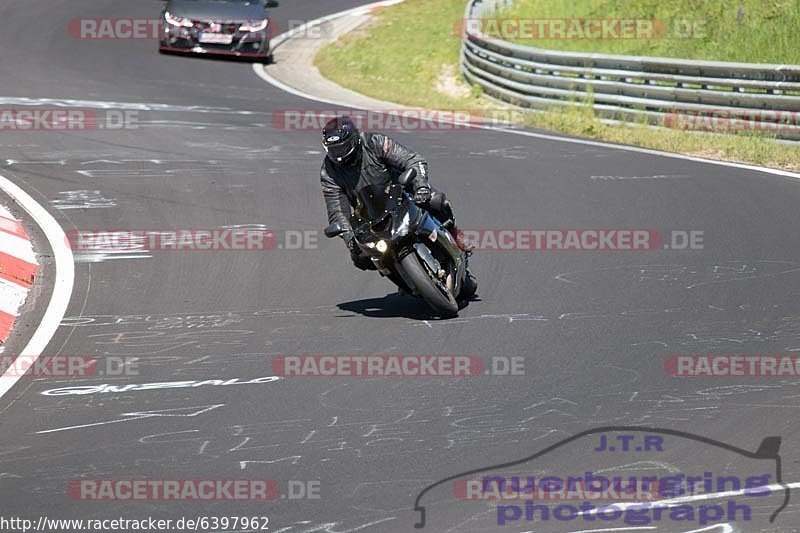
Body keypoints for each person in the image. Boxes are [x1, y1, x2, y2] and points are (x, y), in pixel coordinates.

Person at [319, 115, 466, 271]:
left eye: (342, 147)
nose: (339, 154)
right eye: (333, 150)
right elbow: (337, 212)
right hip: (371, 214)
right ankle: (401, 274)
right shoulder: (328, 172)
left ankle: (456, 237)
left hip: (403, 193)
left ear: (354, 140)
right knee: (360, 258)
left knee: (436, 201)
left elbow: (413, 160)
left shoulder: (375, 142)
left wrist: (421, 186)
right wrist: (349, 238)